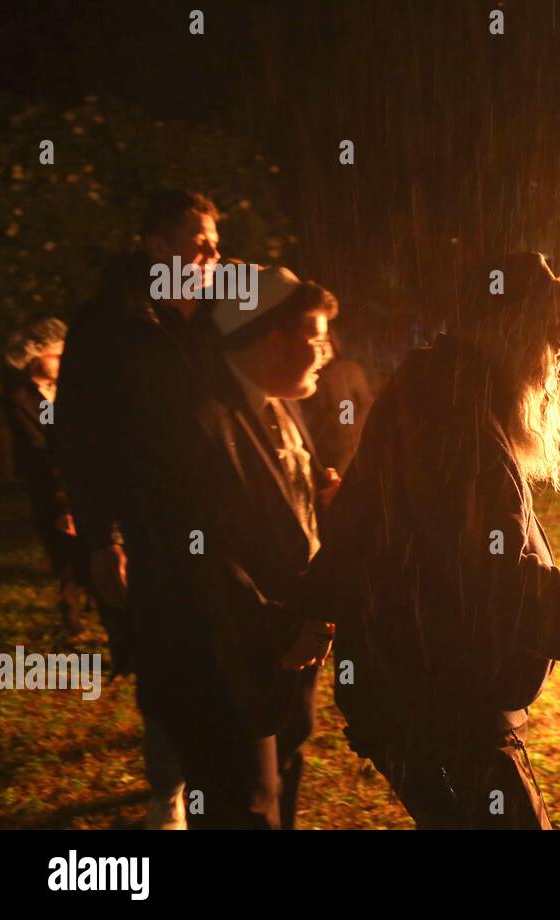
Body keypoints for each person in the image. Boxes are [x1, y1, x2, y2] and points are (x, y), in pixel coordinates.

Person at [303, 252, 560, 829]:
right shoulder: (456, 424)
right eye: (557, 347)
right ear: (518, 334)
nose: (559, 367)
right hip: (440, 708)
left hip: (419, 694)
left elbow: (358, 521)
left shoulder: (436, 389)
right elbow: (513, 595)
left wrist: (319, 602)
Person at [140, 265, 342, 829]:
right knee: (243, 804)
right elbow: (197, 556)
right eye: (316, 336)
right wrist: (281, 629)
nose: (327, 352)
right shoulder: (197, 421)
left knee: (280, 785)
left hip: (284, 660)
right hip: (225, 665)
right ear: (274, 339)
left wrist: (322, 502)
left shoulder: (280, 404)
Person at [57, 189, 223, 829]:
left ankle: (223, 768)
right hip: (149, 528)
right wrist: (104, 536)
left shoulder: (217, 322)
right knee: (162, 653)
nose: (214, 254)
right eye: (200, 241)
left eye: (215, 243)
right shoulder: (106, 327)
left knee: (219, 643)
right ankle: (169, 790)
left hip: (219, 522)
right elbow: (80, 437)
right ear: (158, 248)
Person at [2, 317, 88, 630]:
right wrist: (61, 499)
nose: (60, 361)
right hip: (48, 485)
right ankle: (71, 602)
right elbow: (40, 445)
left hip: (76, 478)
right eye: (55, 355)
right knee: (64, 544)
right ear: (34, 356)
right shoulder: (21, 399)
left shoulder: (64, 392)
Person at [299, 328, 373, 475]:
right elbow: (320, 414)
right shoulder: (314, 380)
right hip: (336, 447)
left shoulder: (349, 370)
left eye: (326, 344)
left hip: (354, 442)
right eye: (318, 345)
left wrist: (354, 427)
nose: (323, 351)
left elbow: (365, 403)